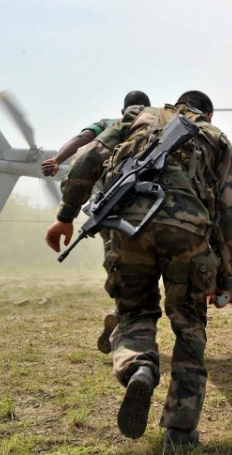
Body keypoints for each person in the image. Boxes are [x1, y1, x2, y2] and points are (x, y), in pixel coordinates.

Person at [44, 90, 232, 454]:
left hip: (128, 227)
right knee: (189, 327)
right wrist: (226, 276)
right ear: (208, 115)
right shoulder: (216, 137)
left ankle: (140, 368)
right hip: (189, 234)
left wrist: (65, 216)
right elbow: (231, 212)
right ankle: (179, 431)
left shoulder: (139, 117)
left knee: (135, 313)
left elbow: (88, 159)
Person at [41, 90, 151, 355]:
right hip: (150, 210)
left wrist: (57, 159)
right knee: (148, 268)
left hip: (109, 211)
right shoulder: (157, 127)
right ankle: (125, 318)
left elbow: (82, 141)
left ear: (124, 109)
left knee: (118, 264)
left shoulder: (111, 124)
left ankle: (121, 312)